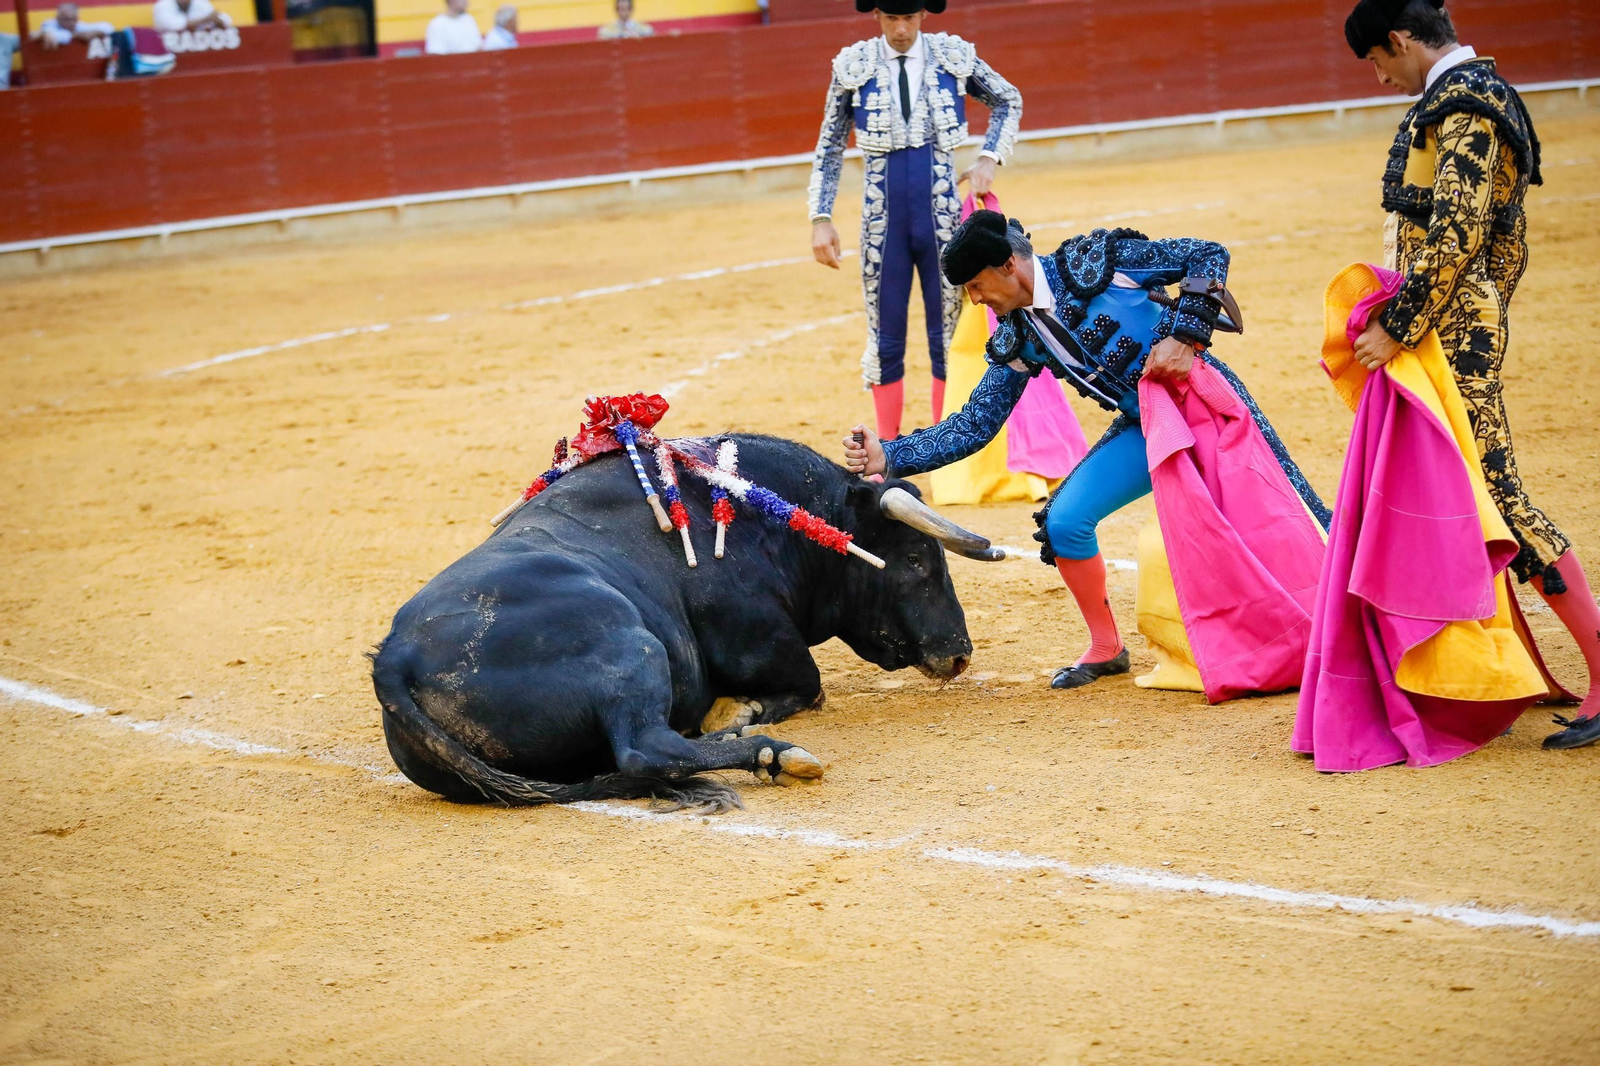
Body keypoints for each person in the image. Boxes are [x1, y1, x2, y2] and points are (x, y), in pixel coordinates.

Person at [844, 211, 1330, 691]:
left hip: (1208, 407)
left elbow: (1206, 255)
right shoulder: (1021, 336)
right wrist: (890, 455)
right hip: (1148, 426)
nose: (974, 299)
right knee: (1064, 521)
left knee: (1294, 509)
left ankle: (1338, 617)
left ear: (1009, 265)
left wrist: (1184, 337)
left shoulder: (1097, 264)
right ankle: (1106, 647)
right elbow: (975, 424)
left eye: (975, 284)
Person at [1344, 0, 1600, 750]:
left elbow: (1457, 233)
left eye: (1379, 62)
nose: (1384, 79)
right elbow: (1505, 244)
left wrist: (1405, 322)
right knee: (1470, 494)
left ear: (1397, 40)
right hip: (1459, 317)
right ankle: (1500, 666)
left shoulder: (1463, 105)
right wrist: (1483, 310)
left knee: (1498, 496)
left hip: (1443, 322)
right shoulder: (1480, 98)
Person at [808, 0, 1021, 442]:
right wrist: (821, 216)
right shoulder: (854, 66)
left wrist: (989, 157)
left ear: (924, 15)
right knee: (885, 332)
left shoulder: (951, 56)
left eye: (908, 17)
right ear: (877, 17)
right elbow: (829, 145)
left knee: (946, 332)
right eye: (891, 18)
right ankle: (884, 451)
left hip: (941, 220)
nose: (900, 28)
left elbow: (1007, 99)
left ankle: (940, 447)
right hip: (881, 223)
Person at [34, 3, 115, 49]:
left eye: (72, 19)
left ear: (77, 19)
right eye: (66, 19)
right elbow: (55, 36)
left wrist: (95, 33)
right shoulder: (49, 24)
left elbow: (108, 27)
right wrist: (76, 35)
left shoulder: (78, 26)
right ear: (58, 18)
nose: (69, 23)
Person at [150, 0, 231, 33]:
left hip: (198, 47)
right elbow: (173, 25)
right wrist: (205, 19)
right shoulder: (163, 5)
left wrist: (218, 20)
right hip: (168, 49)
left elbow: (226, 20)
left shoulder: (199, 3)